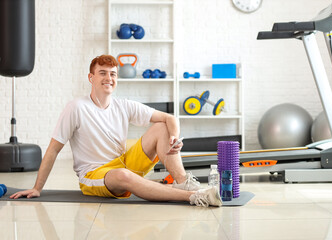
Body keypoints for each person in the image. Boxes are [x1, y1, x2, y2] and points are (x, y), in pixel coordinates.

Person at [10, 55, 222, 207]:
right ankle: (193, 197)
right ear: (90, 77)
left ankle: (183, 183)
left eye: (112, 74)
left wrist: (174, 138)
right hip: (95, 174)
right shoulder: (76, 107)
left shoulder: (123, 105)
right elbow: (53, 150)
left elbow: (170, 118)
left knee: (161, 127)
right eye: (102, 73)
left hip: (124, 163)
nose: (108, 78)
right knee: (123, 175)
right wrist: (37, 188)